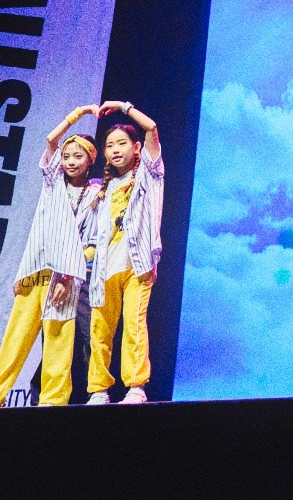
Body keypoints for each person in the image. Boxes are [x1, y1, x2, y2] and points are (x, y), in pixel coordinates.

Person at [0, 104, 104, 408]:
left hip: (66, 277)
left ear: (90, 160)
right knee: (15, 338)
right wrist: (79, 113)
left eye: (78, 156)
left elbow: (94, 243)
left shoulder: (96, 196)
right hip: (36, 271)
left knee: (58, 340)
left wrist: (68, 273)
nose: (70, 162)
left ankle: (52, 401)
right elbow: (50, 140)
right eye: (66, 157)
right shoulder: (52, 182)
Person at [86, 100, 164, 404]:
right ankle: (99, 389)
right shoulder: (102, 189)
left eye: (121, 143)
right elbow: (95, 236)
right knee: (100, 329)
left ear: (136, 147)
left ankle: (135, 387)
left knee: (134, 324)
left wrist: (122, 106)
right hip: (105, 266)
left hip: (137, 264)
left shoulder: (148, 174)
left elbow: (151, 128)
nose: (115, 150)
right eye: (109, 146)